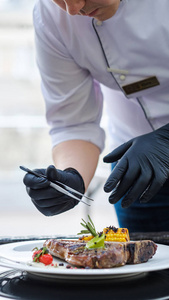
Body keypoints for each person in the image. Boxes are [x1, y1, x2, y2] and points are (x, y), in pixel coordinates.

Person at [23, 0, 169, 232]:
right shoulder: (50, 15)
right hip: (137, 171)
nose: (73, 8)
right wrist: (72, 178)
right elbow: (74, 122)